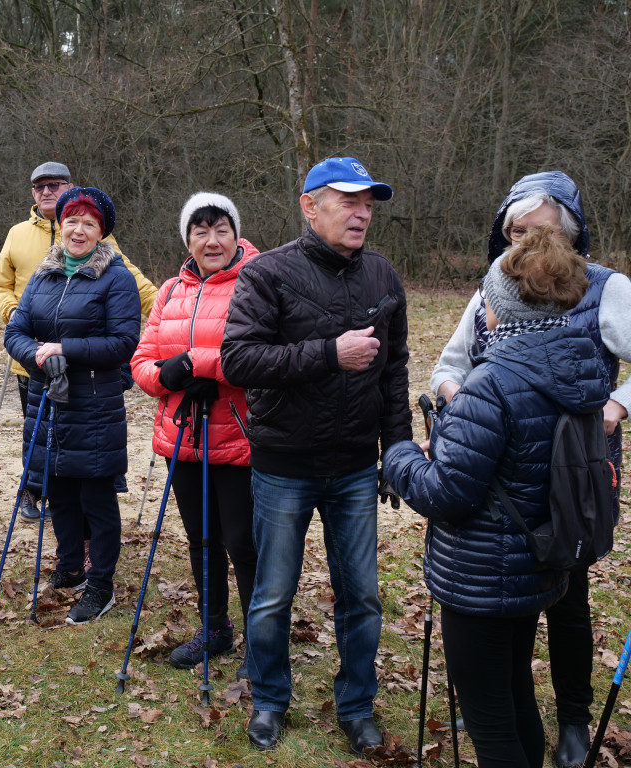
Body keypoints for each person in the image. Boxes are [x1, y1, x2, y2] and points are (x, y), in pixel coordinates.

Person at [385, 225, 608, 768]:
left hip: (481, 580)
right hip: (536, 568)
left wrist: (398, 457)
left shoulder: (493, 383)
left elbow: (448, 492)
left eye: (486, 296)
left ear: (502, 306)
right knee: (515, 695)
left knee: (490, 723)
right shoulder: (579, 367)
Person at [429, 170, 631, 768]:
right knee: (503, 608)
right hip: (495, 483)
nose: (522, 242)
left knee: (565, 600)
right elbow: (451, 364)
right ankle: (502, 703)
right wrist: (460, 403)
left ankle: (572, 718)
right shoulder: (496, 286)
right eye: (514, 230)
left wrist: (618, 406)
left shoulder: (606, 287)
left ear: (568, 235)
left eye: (536, 231)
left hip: (573, 477)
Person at [220, 157, 411, 755]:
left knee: (362, 595)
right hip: (283, 466)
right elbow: (239, 361)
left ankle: (356, 706)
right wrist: (328, 353)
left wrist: (397, 452)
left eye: (368, 205)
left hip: (355, 467)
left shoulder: (383, 277)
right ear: (309, 205)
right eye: (348, 201)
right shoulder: (267, 274)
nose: (361, 214)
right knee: (273, 594)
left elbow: (395, 371)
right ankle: (270, 700)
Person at [131, 192, 259, 674]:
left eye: (221, 229)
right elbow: (142, 363)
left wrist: (203, 364)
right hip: (182, 437)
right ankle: (215, 629)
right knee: (202, 539)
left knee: (244, 543)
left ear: (235, 233)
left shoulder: (258, 282)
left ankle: (259, 638)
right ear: (187, 239)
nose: (212, 240)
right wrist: (172, 374)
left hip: (240, 438)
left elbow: (266, 357)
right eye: (200, 231)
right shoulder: (169, 291)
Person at [0, 162, 157, 522]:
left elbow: (135, 284)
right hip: (31, 360)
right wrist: (14, 314)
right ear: (32, 193)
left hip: (88, 369)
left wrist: (175, 307)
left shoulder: (102, 242)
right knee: (41, 433)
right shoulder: (17, 234)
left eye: (55, 185)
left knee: (83, 442)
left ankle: (85, 518)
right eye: (39, 186)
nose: (46, 191)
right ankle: (35, 492)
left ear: (69, 188)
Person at [4, 186, 140, 624]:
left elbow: (123, 343)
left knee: (95, 497)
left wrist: (66, 348)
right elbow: (16, 331)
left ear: (101, 232)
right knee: (57, 490)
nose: (78, 230)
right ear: (60, 226)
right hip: (47, 399)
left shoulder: (115, 277)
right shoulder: (43, 276)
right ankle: (69, 567)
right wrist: (37, 353)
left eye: (89, 223)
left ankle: (101, 584)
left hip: (94, 404)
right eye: (72, 221)